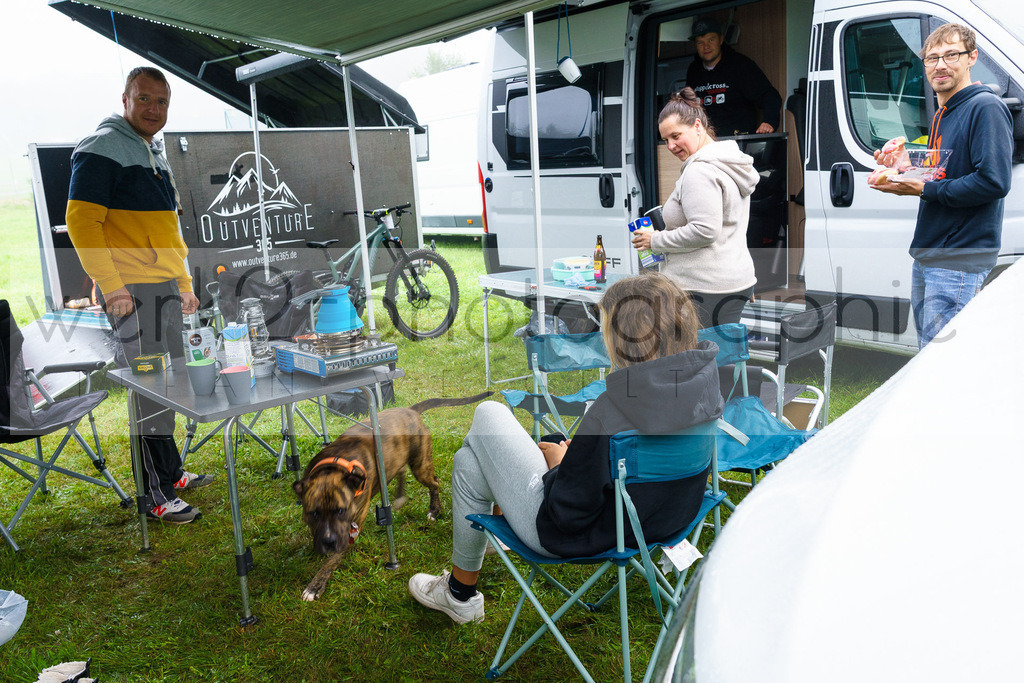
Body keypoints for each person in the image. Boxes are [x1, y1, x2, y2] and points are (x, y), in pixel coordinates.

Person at [408, 271, 723, 624]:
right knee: (469, 461)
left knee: (488, 414)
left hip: (583, 535)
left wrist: (560, 464)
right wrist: (584, 460)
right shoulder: (705, 385)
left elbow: (566, 515)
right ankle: (459, 592)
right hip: (668, 518)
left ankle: (460, 594)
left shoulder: (611, 412)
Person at [66, 66, 213, 524]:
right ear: (125, 99)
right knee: (150, 390)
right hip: (131, 293)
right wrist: (113, 287)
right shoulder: (102, 147)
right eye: (144, 98)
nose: (154, 109)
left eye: (162, 101)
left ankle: (171, 474)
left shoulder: (154, 154)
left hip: (164, 288)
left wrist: (183, 285)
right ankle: (155, 494)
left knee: (172, 386)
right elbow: (81, 223)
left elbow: (169, 232)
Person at [870, 23, 1012, 349]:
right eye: (932, 58)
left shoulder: (985, 107)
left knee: (943, 361)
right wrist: (903, 166)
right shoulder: (943, 113)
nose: (940, 65)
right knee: (928, 356)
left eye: (951, 55)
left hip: (957, 259)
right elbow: (943, 171)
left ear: (971, 57)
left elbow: (993, 181)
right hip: (930, 253)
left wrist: (923, 190)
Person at [632, 88, 759, 328]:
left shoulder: (699, 171)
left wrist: (655, 240)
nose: (670, 145)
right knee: (721, 350)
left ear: (698, 125)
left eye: (676, 136)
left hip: (702, 289)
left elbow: (704, 231)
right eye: (665, 140)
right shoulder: (729, 161)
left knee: (687, 351)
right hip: (733, 280)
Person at [684, 16, 782, 137]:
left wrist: (769, 122)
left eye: (711, 40)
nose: (706, 46)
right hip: (705, 142)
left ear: (721, 40)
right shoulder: (693, 71)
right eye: (700, 42)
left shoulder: (740, 65)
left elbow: (769, 95)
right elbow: (687, 106)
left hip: (738, 142)